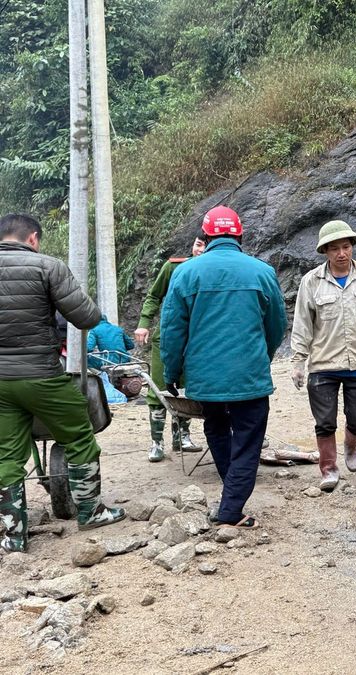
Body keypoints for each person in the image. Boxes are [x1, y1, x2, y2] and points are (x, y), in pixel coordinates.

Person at [0, 214, 125, 552]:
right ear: (33, 239)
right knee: (80, 435)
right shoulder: (47, 267)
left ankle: (14, 536)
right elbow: (86, 317)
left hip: (1, 384)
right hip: (41, 375)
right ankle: (91, 512)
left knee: (7, 456)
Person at [161, 206, 287, 528]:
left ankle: (231, 496)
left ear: (205, 237)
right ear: (240, 235)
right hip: (249, 376)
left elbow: (173, 331)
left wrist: (171, 373)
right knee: (248, 441)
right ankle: (231, 508)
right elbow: (276, 326)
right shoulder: (262, 272)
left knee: (216, 428)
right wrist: (263, 357)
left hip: (206, 379)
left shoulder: (186, 273)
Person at [290, 220, 356, 491]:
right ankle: (329, 468)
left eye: (346, 247)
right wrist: (298, 362)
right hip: (323, 364)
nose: (341, 253)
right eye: (334, 248)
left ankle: (350, 445)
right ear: (325, 251)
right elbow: (302, 324)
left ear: (353, 247)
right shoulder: (311, 281)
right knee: (324, 421)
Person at [134, 235, 206, 462]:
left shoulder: (212, 270)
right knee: (159, 387)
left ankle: (182, 437)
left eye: (205, 245)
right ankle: (157, 443)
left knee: (187, 389)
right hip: (166, 338)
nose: (200, 250)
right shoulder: (173, 267)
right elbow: (154, 296)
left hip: (197, 341)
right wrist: (144, 324)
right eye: (197, 244)